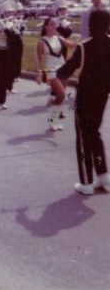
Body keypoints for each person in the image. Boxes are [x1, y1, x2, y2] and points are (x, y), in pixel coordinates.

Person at [57, 10, 110, 195]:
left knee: (82, 137)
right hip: (103, 96)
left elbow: (64, 71)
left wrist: (58, 71)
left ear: (90, 25)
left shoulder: (84, 47)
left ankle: (86, 182)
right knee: (95, 133)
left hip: (85, 96)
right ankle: (104, 175)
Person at [35, 17, 76, 131]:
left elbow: (71, 45)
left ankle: (53, 121)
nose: (54, 26)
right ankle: (52, 108)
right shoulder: (42, 42)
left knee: (60, 97)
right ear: (46, 26)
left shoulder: (58, 37)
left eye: (55, 25)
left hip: (62, 68)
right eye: (52, 24)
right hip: (51, 70)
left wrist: (80, 45)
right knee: (62, 95)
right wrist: (39, 73)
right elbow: (38, 58)